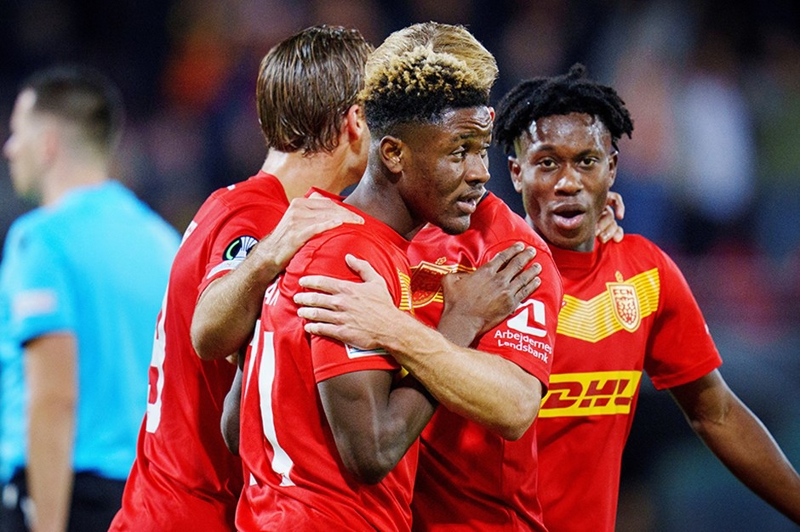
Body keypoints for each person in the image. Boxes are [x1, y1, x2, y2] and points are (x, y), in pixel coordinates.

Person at [233, 21, 559, 531]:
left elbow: (516, 406)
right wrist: (457, 322)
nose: (481, 171)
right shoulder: (353, 255)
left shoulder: (308, 228)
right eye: (459, 151)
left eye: (482, 148)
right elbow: (373, 450)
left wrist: (394, 331)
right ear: (393, 153)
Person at [491, 63, 800, 530]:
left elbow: (715, 413)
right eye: (548, 163)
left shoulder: (646, 274)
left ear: (612, 168)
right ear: (517, 173)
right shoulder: (485, 273)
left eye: (587, 162)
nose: (568, 182)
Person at [108, 26, 372, 532]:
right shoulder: (257, 217)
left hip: (169, 507)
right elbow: (208, 330)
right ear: (355, 121)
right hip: (189, 513)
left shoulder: (241, 203)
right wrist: (271, 249)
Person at [0, 66, 180, 532]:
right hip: (147, 498)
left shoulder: (41, 241)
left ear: (48, 144)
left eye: (18, 132)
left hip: (64, 495)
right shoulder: (165, 243)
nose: (9, 148)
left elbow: (54, 397)